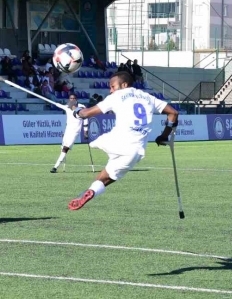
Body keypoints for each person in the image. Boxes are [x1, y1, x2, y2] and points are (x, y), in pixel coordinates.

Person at [67, 72, 179, 210]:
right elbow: (173, 113)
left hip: (115, 141)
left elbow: (85, 114)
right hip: (136, 151)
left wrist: (75, 110)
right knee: (108, 178)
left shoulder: (116, 96)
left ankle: (90, 190)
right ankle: (90, 192)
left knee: (95, 144)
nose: (111, 90)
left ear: (124, 85)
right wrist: (164, 136)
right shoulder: (149, 97)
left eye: (113, 86)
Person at [50, 94, 88, 173]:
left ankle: (55, 167)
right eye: (71, 98)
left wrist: (85, 131)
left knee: (65, 148)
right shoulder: (67, 106)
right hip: (67, 130)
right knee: (63, 147)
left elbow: (85, 118)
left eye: (74, 98)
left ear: (76, 99)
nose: (72, 100)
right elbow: (59, 105)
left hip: (75, 131)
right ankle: (59, 164)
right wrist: (54, 103)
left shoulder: (81, 107)